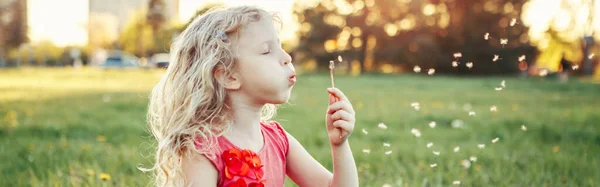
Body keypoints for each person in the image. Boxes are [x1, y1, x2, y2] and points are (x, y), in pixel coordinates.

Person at [143, 5, 359, 187]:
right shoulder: (203, 150)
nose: (286, 57)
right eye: (266, 50)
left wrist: (339, 146)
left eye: (281, 47)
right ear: (228, 76)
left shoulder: (279, 140)